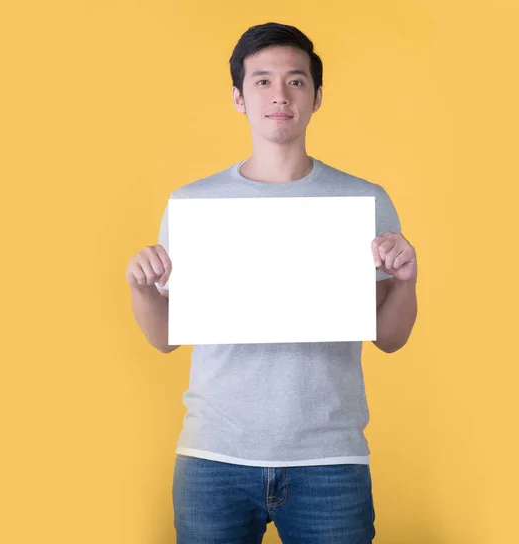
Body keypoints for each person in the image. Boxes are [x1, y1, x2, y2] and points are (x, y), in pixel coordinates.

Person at [126, 21, 418, 544]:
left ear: (317, 95)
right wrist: (143, 289)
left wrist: (405, 281)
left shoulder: (365, 201)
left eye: (296, 80)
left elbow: (390, 337)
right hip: (213, 456)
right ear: (238, 97)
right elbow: (165, 338)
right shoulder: (193, 204)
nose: (279, 95)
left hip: (330, 457)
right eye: (262, 81)